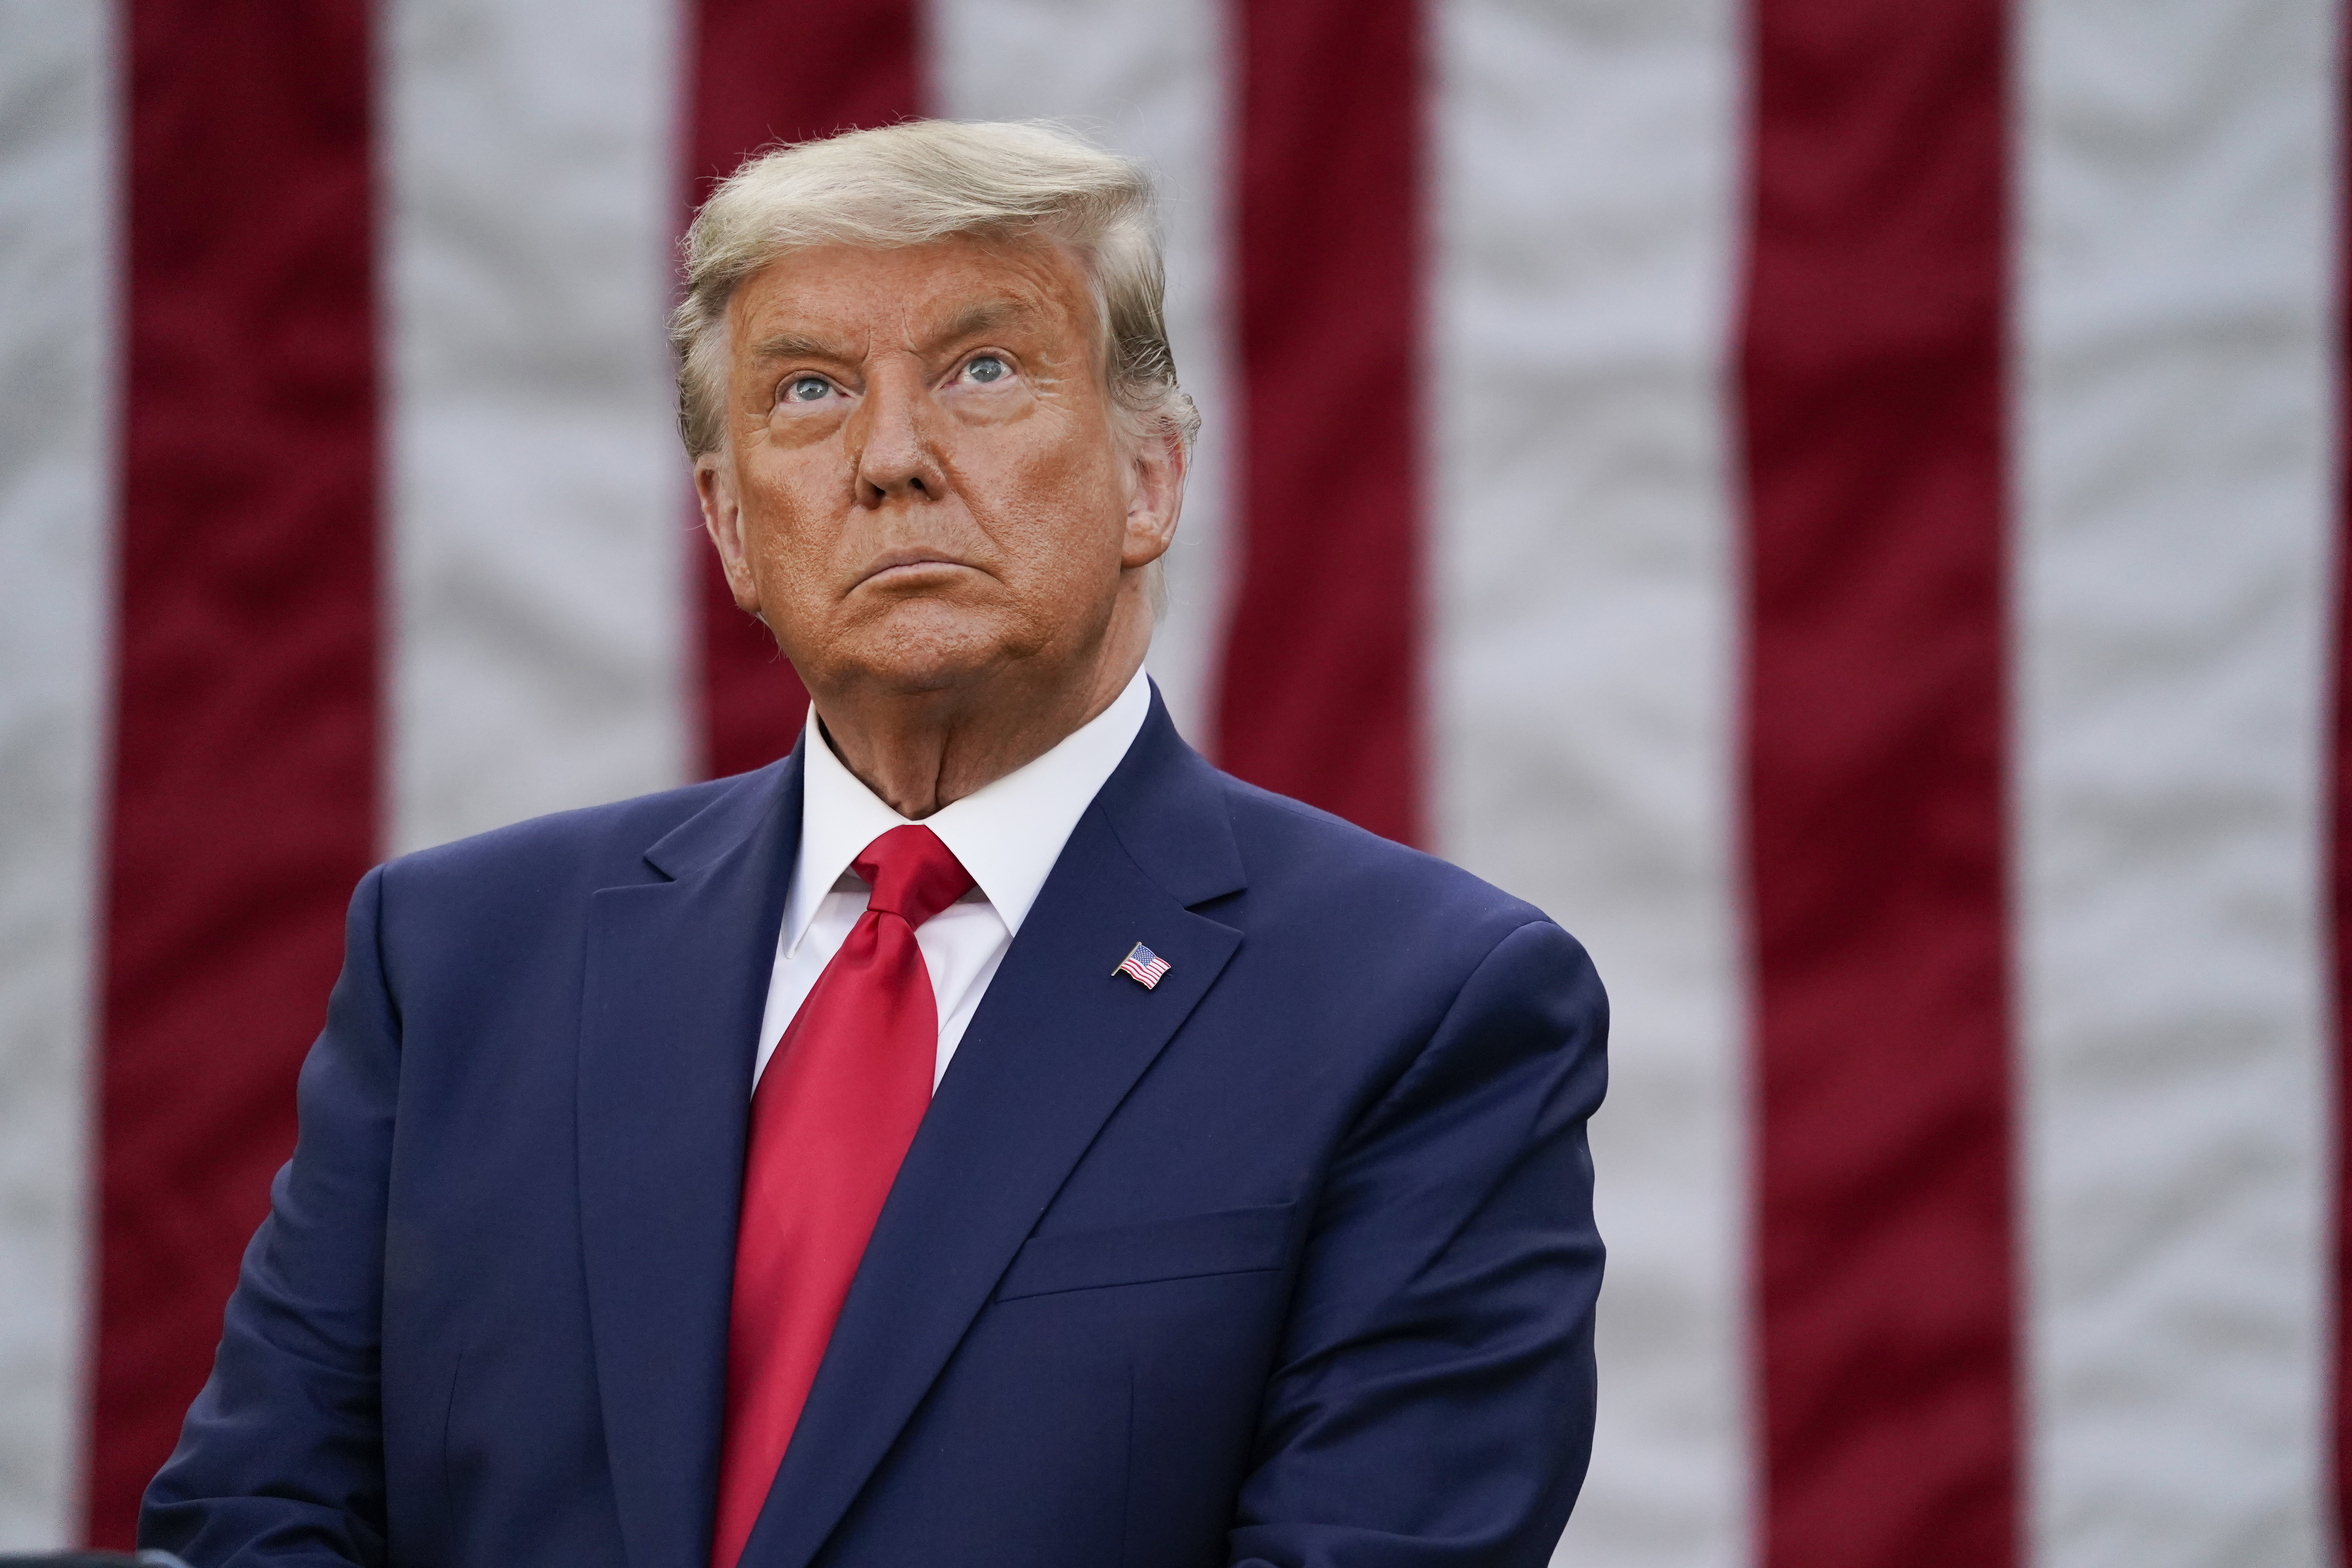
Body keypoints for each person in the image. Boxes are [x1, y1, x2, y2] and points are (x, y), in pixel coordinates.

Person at [140, 120, 1608, 1568]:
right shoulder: (455, 958)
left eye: (984, 370)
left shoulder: (1426, 1007)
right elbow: (258, 1517)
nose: (893, 457)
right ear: (729, 528)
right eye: (809, 392)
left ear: (1151, 478)